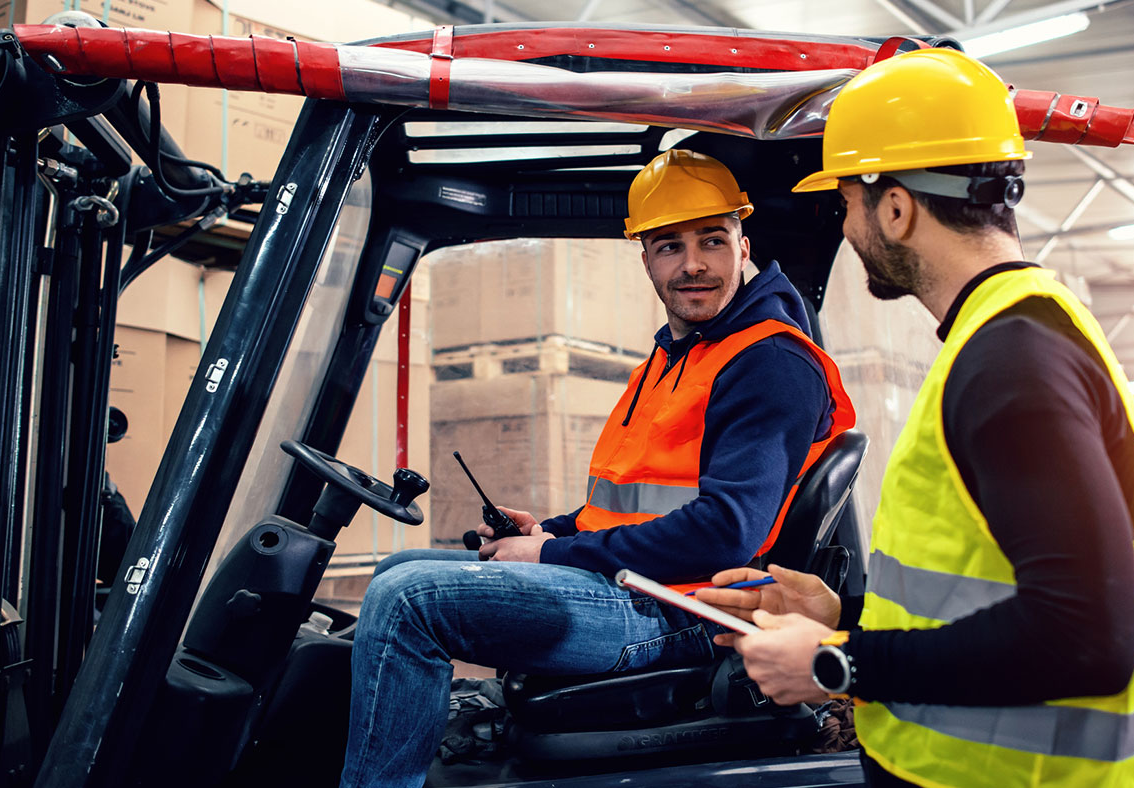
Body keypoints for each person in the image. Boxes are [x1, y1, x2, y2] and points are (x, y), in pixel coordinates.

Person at [695, 48, 1134, 787]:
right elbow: (990, 586)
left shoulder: (1013, 363)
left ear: (895, 208)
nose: (846, 224)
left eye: (847, 204)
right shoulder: (1008, 339)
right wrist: (844, 612)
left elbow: (1087, 637)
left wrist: (835, 662)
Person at [339, 149, 856, 788]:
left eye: (712, 241)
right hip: (640, 587)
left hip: (684, 611)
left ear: (743, 245)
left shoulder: (768, 363)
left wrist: (554, 558)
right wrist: (546, 534)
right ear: (643, 258)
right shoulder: (677, 357)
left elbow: (727, 531)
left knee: (407, 599)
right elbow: (627, 502)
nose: (693, 264)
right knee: (398, 568)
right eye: (669, 246)